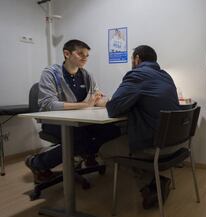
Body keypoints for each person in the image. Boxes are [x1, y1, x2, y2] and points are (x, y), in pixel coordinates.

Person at [25, 39, 121, 184]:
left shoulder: (86, 75)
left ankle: (87, 154)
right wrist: (84, 105)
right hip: (55, 122)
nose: (85, 58)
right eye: (80, 53)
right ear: (67, 54)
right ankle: (37, 163)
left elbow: (95, 98)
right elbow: (49, 104)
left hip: (80, 120)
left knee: (112, 131)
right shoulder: (50, 73)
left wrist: (112, 102)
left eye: (87, 55)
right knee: (79, 139)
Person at [99, 45, 181, 208]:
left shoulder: (137, 74)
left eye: (132, 60)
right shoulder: (166, 76)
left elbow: (114, 109)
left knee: (104, 151)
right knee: (122, 139)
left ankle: (151, 183)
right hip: (174, 144)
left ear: (137, 59)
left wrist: (104, 102)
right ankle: (154, 179)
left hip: (154, 146)